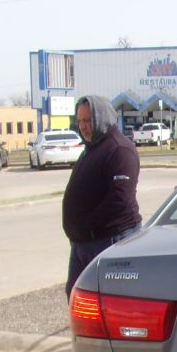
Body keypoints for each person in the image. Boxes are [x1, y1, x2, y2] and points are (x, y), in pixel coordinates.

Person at [62, 95, 142, 298]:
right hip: (84, 243)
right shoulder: (92, 149)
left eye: (88, 121)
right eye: (80, 121)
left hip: (109, 240)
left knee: (107, 300)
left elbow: (119, 198)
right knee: (78, 296)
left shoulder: (119, 149)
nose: (83, 127)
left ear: (102, 118)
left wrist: (88, 225)